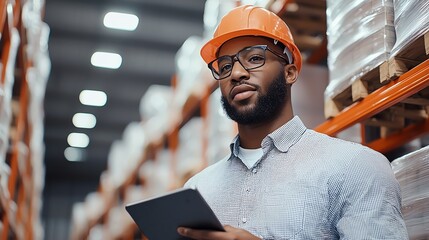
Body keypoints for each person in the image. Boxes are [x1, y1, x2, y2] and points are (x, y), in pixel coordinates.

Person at [177, 5, 408, 240]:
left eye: (255, 58)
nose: (236, 73)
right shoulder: (197, 190)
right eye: (225, 66)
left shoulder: (357, 168)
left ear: (290, 73)